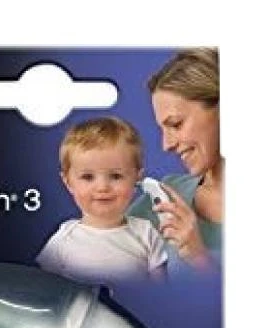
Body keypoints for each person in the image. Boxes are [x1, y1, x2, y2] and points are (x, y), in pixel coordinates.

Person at [37, 117, 167, 284]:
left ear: (137, 178)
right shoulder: (62, 240)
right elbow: (44, 291)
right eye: (88, 177)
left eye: (116, 176)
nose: (102, 187)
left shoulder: (147, 233)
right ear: (68, 182)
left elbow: (162, 291)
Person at [130, 48, 222, 269]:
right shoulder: (165, 198)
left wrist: (199, 258)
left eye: (176, 124)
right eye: (163, 129)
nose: (167, 145)